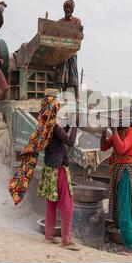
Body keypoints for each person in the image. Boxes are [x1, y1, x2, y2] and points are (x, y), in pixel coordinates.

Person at [8, 89, 80, 250]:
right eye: (57, 104)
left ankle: (48, 237)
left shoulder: (44, 123)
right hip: (57, 168)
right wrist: (75, 125)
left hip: (49, 167)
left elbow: (61, 135)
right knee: (67, 204)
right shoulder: (53, 125)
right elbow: (69, 141)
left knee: (51, 203)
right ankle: (66, 240)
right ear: (54, 105)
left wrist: (69, 125)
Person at [100, 105, 132, 255]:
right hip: (119, 171)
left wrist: (115, 131)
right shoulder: (122, 131)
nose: (117, 118)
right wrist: (104, 132)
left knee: (124, 210)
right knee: (121, 210)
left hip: (126, 172)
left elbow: (122, 148)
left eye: (120, 116)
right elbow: (104, 147)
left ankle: (130, 247)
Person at [56, 0, 84, 101]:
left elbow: (80, 35)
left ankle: (76, 97)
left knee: (73, 73)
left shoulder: (76, 21)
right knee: (63, 75)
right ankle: (64, 97)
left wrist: (80, 35)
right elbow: (56, 34)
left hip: (72, 51)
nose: (67, 10)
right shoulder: (60, 22)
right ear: (64, 9)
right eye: (66, 8)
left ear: (72, 10)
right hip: (62, 52)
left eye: (69, 8)